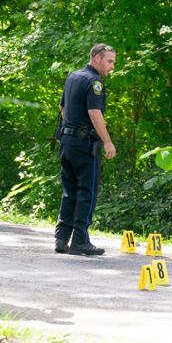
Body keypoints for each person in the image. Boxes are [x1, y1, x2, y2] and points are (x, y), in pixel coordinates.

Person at [54, 43, 117, 255]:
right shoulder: (94, 81)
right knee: (86, 191)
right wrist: (107, 141)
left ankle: (62, 238)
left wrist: (71, 130)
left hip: (67, 141)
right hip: (84, 144)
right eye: (109, 61)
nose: (112, 67)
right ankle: (80, 240)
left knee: (69, 190)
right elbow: (94, 113)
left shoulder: (73, 77)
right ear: (97, 58)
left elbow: (63, 108)